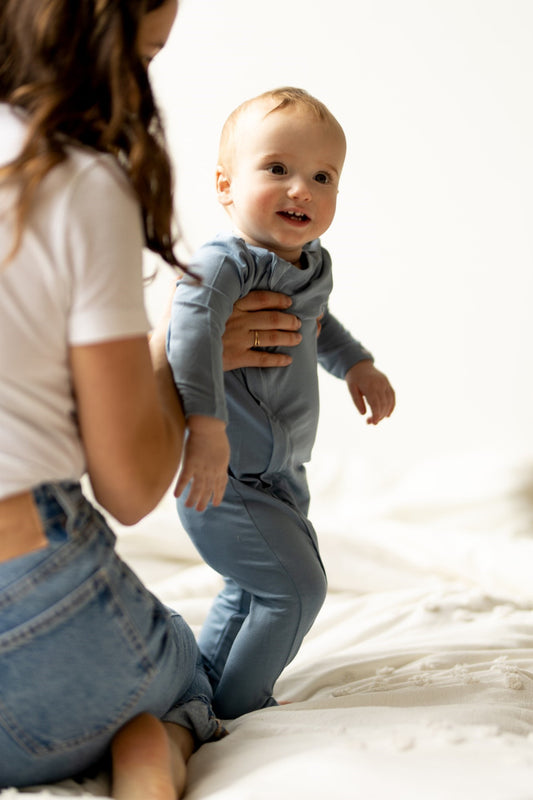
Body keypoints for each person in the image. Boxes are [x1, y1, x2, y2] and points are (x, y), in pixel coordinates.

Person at [0, 1, 296, 796]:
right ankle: (150, 757)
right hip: (30, 622)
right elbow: (129, 489)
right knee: (188, 684)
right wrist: (175, 359)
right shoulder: (65, 176)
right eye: (148, 52)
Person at [166, 87, 396, 720]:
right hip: (224, 473)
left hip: (281, 474)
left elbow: (318, 322)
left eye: (323, 176)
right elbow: (186, 336)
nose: (303, 189)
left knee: (250, 589)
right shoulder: (222, 265)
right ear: (224, 185)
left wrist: (357, 364)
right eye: (277, 169)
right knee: (297, 589)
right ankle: (242, 707)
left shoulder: (312, 265)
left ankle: (206, 693)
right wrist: (204, 427)